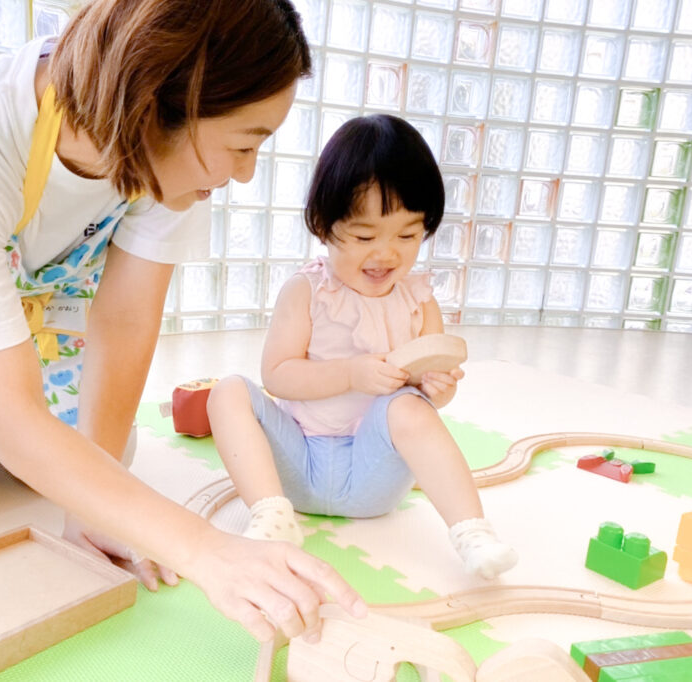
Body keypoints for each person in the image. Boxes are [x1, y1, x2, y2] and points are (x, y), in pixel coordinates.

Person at [0, 0, 366, 644]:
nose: (244, 175)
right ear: (161, 98)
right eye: (244, 145)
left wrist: (87, 504)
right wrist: (209, 551)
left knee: (105, 461)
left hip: (38, 311)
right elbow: (19, 421)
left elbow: (125, 321)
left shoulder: (169, 164)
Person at [206, 114, 518, 580]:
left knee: (410, 409)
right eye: (365, 236)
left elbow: (427, 406)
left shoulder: (419, 300)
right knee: (228, 389)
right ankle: (270, 516)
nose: (386, 253)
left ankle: (472, 532)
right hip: (295, 467)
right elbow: (277, 375)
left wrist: (437, 387)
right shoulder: (307, 292)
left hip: (372, 477)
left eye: (408, 235)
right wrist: (351, 374)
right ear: (323, 226)